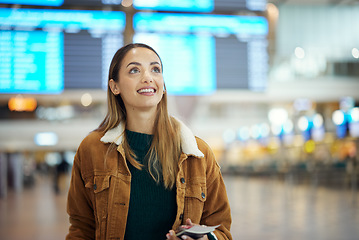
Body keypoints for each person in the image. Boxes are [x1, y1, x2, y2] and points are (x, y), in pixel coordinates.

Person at [66, 43, 232, 240]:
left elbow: (222, 230)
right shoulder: (92, 149)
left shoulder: (197, 154)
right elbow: (81, 228)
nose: (148, 77)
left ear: (163, 86)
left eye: (155, 69)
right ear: (115, 86)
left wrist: (205, 238)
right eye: (134, 70)